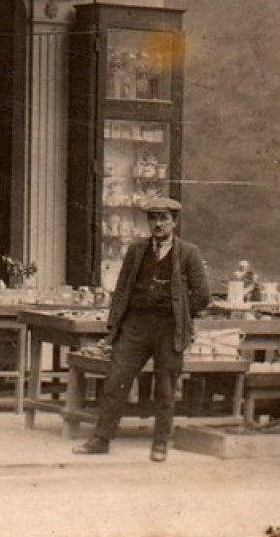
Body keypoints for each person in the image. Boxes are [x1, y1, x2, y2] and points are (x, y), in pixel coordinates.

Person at [73, 196, 210, 462]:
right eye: (153, 218)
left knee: (166, 386)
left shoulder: (188, 253)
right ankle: (101, 440)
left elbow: (202, 295)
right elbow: (122, 290)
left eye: (163, 219)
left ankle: (160, 443)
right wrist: (114, 330)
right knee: (116, 380)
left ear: (174, 222)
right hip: (136, 325)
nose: (157, 224)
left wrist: (180, 312)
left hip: (169, 328)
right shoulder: (136, 250)